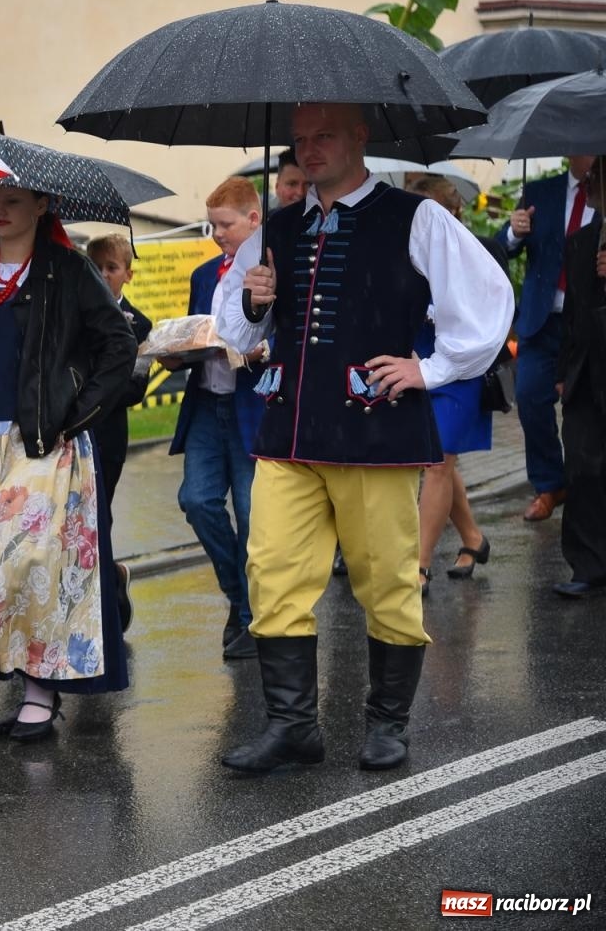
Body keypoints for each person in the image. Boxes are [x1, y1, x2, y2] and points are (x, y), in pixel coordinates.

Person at [216, 104, 511, 774]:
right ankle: (293, 726)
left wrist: (429, 368)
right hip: (288, 431)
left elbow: (486, 301)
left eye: (325, 136)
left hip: (376, 430)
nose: (310, 149)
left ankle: (387, 723)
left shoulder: (416, 217)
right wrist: (257, 302)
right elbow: (237, 333)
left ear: (359, 138)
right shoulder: (278, 227)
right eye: (301, 140)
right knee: (272, 574)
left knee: (385, 580)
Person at [0, 181, 137, 743]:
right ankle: (0, 670)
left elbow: (120, 344)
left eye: (12, 202)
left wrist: (79, 411)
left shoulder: (66, 269)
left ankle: (42, 692)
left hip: (41, 440)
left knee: (34, 567)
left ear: (41, 207)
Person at [162, 176, 267, 661]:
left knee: (250, 516)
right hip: (206, 402)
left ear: (253, 219)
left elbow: (286, 333)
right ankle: (239, 597)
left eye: (225, 225)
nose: (216, 233)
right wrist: (177, 354)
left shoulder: (270, 271)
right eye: (211, 224)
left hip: (250, 405)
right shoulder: (205, 275)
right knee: (196, 500)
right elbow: (197, 330)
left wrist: (265, 351)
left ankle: (251, 618)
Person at [410, 175, 502, 588]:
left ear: (451, 214)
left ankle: (419, 566)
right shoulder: (409, 255)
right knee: (440, 462)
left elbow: (492, 316)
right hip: (418, 365)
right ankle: (472, 537)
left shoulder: (478, 255)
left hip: (462, 370)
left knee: (437, 463)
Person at [503, 156, 598, 522]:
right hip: (542, 322)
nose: (586, 155)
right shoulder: (540, 192)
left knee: (585, 411)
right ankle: (549, 484)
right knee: (528, 398)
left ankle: (587, 488)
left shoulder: (603, 193)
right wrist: (515, 231)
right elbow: (504, 246)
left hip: (587, 323)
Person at [85, 233, 152, 631]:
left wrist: (97, 381)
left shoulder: (139, 324)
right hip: (73, 433)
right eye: (95, 269)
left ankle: (110, 603)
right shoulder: (77, 316)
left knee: (99, 517)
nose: (103, 275)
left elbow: (134, 388)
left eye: (111, 268)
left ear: (127, 274)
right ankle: (99, 590)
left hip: (109, 435)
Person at [553, 159, 606, 598]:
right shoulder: (582, 242)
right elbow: (572, 315)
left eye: (596, 177)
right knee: (583, 466)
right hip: (586, 372)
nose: (587, 184)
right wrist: (561, 371)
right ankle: (587, 564)